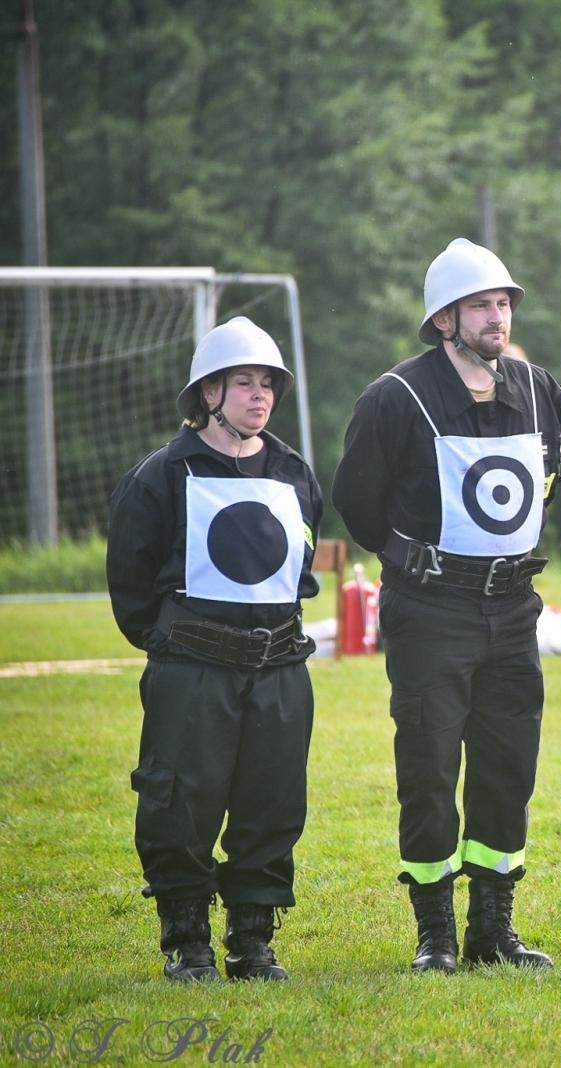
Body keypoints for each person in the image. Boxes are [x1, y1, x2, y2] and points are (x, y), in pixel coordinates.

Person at [333, 238, 561, 972]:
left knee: (507, 765)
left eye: (503, 304)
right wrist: (415, 561)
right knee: (429, 766)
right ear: (444, 320)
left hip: (513, 608)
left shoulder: (539, 388)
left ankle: (492, 929)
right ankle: (434, 932)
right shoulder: (395, 397)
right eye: (480, 306)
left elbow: (546, 477)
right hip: (430, 609)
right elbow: (358, 503)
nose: (496, 317)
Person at [108, 316, 321, 981]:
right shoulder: (161, 475)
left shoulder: (292, 471)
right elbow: (132, 586)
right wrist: (179, 648)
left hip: (280, 668)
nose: (258, 397)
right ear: (208, 393)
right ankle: (188, 943)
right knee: (180, 800)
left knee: (272, 802)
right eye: (242, 384)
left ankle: (252, 942)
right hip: (193, 669)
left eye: (267, 385)